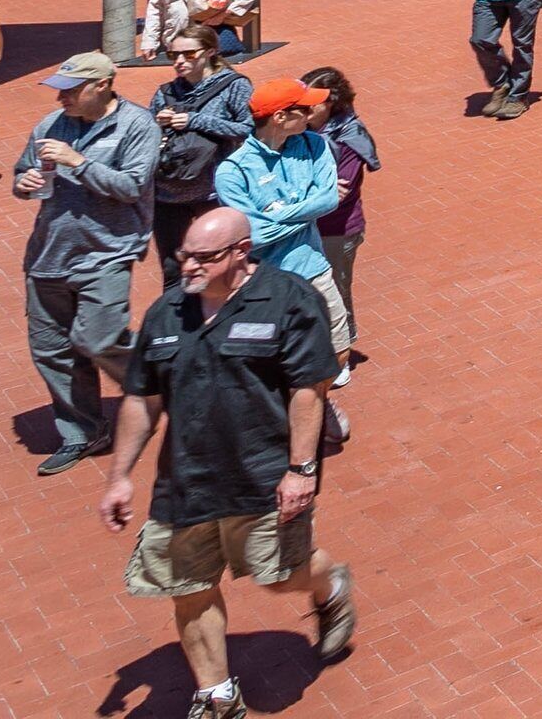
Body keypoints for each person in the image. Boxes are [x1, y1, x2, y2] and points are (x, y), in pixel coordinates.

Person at [101, 203, 354, 711]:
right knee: (188, 588)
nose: (189, 267)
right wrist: (120, 476)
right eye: (184, 255)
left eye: (204, 257)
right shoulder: (166, 312)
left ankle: (330, 584)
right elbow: (142, 397)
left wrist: (300, 470)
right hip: (186, 484)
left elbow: (309, 388)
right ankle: (217, 695)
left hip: (264, 477)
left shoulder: (287, 301)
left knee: (282, 575)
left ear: (242, 253)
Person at [17, 48, 161, 475]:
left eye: (71, 90)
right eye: (58, 90)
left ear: (102, 86)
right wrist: (24, 183)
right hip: (47, 255)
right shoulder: (50, 126)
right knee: (52, 350)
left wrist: (77, 162)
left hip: (107, 252)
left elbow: (132, 186)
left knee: (98, 340)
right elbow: (26, 176)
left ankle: (156, 382)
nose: (61, 99)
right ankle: (83, 432)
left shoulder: (137, 126)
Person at [216, 78, 351, 370]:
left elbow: (328, 200)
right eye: (303, 108)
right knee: (273, 364)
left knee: (338, 351)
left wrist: (275, 214)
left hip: (315, 271)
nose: (313, 111)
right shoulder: (233, 171)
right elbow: (255, 235)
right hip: (264, 284)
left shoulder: (314, 144)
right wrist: (306, 213)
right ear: (280, 117)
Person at [147, 38, 258, 287]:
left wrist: (196, 120)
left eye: (188, 54)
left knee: (225, 260)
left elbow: (248, 129)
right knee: (174, 268)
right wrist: (156, 121)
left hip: (213, 191)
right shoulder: (166, 91)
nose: (179, 61)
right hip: (168, 194)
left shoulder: (234, 86)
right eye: (173, 55)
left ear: (210, 52)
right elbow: (143, 135)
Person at [300, 67, 378, 359]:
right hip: (304, 226)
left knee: (335, 292)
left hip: (338, 230)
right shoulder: (301, 132)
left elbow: (339, 192)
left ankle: (341, 352)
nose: (305, 108)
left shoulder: (350, 136)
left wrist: (298, 193)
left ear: (331, 102)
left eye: (313, 103)